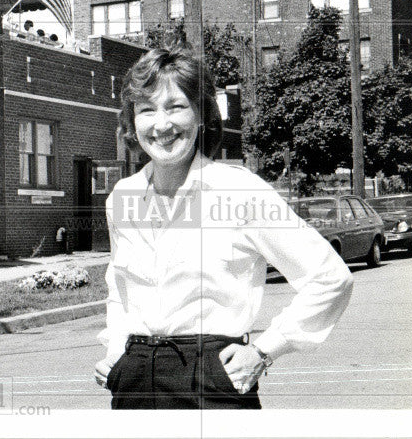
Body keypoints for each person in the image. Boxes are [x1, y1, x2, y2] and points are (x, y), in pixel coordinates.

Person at [94, 47, 353, 409]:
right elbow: (120, 292)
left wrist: (264, 350)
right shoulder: (122, 197)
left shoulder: (239, 191)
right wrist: (115, 352)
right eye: (147, 109)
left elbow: (330, 278)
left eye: (176, 106)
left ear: (202, 115)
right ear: (132, 121)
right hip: (134, 379)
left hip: (211, 377)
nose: (161, 124)